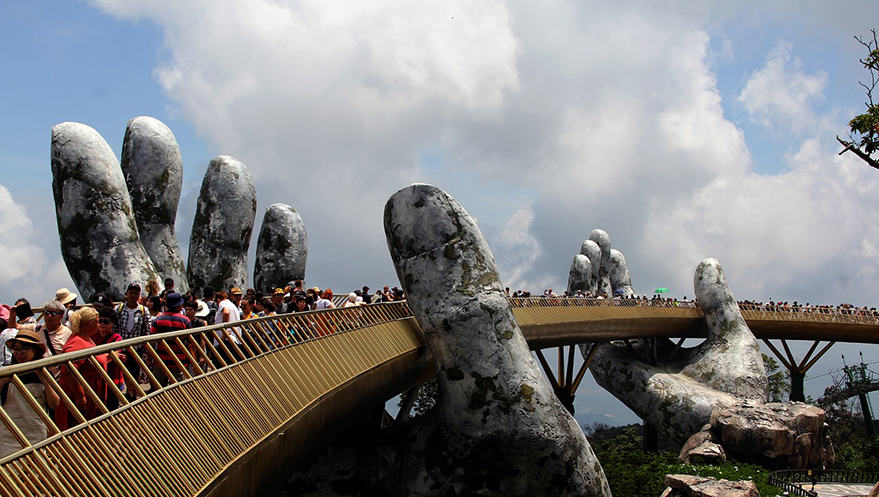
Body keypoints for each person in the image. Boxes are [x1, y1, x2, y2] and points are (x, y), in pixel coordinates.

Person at [0, 330, 60, 457]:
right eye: (16, 349)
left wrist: (44, 380)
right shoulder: (6, 374)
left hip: (36, 433)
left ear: (35, 350)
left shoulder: (45, 374)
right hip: (8, 435)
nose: (19, 353)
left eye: (24, 349)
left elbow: (54, 404)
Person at [57, 308, 108, 430]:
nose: (99, 325)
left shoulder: (85, 338)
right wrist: (80, 397)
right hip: (80, 394)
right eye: (97, 322)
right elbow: (69, 371)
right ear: (88, 324)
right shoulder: (77, 343)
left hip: (91, 390)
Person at [10, 300, 72, 377]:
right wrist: (13, 314)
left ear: (61, 316)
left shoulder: (68, 333)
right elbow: (14, 327)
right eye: (46, 313)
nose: (49, 316)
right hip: (40, 375)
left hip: (58, 376)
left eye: (53, 313)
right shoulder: (37, 328)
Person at [149, 293, 191, 386]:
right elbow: (189, 341)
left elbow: (152, 340)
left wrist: (150, 358)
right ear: (180, 306)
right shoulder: (185, 321)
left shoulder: (158, 319)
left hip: (161, 359)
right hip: (179, 360)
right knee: (178, 388)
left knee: (160, 387)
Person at [95, 309, 126, 410]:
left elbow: (116, 354)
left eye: (106, 322)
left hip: (111, 377)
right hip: (96, 376)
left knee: (111, 405)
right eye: (100, 321)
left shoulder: (116, 338)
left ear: (113, 323)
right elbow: (113, 355)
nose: (102, 324)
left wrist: (98, 356)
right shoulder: (93, 335)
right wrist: (108, 355)